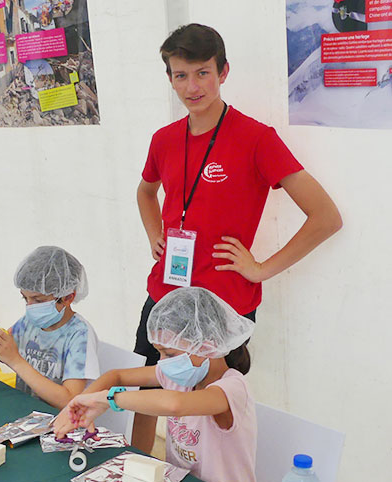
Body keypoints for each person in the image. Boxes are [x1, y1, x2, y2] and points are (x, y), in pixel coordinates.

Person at [132, 23, 342, 452]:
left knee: (213, 416)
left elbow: (325, 216)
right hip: (166, 295)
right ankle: (133, 476)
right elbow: (146, 190)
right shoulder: (164, 140)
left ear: (223, 71)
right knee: (149, 398)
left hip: (224, 304)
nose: (192, 86)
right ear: (169, 77)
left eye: (203, 72)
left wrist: (261, 269)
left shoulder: (256, 139)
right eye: (180, 75)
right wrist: (156, 233)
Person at [54, 286, 257, 482]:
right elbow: (116, 376)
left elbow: (175, 404)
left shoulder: (233, 388)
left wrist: (106, 399)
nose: (162, 362)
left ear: (207, 346)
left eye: (169, 353)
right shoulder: (181, 374)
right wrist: (76, 405)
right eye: (159, 352)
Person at [0, 246, 99, 410]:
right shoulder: (28, 323)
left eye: (38, 300)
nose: (30, 307)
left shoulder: (79, 335)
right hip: (25, 413)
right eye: (25, 299)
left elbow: (69, 401)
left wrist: (16, 361)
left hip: (61, 425)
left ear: (67, 297)